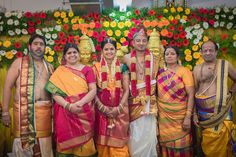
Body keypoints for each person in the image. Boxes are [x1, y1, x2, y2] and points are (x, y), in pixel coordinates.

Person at [1, 34, 54, 157]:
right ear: (29, 47)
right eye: (35, 44)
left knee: (45, 146)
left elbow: (54, 92)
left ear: (45, 48)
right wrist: (5, 112)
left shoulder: (50, 67)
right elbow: (7, 87)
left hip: (44, 113)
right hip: (23, 112)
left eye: (41, 44)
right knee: (23, 146)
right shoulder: (18, 63)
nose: (39, 47)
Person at [45, 43, 97, 157]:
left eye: (75, 52)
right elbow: (54, 93)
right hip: (65, 113)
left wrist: (79, 104)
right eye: (69, 53)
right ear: (64, 56)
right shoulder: (60, 71)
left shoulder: (87, 69)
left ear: (79, 54)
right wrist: (68, 106)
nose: (72, 55)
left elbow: (93, 90)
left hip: (83, 111)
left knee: (86, 147)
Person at [193, 40, 236, 157]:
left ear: (216, 52)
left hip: (222, 112)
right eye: (205, 50)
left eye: (211, 50)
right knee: (207, 145)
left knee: (225, 143)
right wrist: (194, 114)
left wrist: (231, 92)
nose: (208, 53)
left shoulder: (225, 65)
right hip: (204, 115)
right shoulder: (196, 69)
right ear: (201, 53)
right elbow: (194, 92)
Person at [123, 27, 159, 157]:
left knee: (149, 132)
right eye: (138, 40)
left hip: (149, 100)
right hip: (134, 100)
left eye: (144, 40)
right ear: (133, 42)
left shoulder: (155, 58)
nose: (141, 43)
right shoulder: (126, 58)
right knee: (135, 131)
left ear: (147, 43)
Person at [93, 38, 130, 157]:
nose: (109, 52)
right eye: (106, 49)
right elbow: (92, 91)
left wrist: (119, 108)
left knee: (119, 146)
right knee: (103, 145)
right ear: (102, 52)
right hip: (101, 111)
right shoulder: (95, 68)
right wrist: (102, 107)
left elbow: (126, 89)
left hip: (120, 111)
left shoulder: (123, 67)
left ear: (116, 50)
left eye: (112, 49)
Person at [157, 46, 194, 156]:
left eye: (172, 53)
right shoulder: (159, 72)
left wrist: (188, 116)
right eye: (167, 54)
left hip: (181, 116)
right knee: (165, 145)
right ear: (164, 57)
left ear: (177, 56)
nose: (169, 56)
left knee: (182, 144)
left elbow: (191, 94)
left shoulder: (184, 71)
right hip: (164, 116)